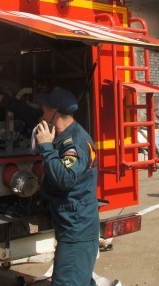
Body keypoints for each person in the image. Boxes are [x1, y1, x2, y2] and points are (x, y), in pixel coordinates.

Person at [33, 87, 99, 286]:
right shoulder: (65, 138)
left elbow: (65, 179)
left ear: (54, 113)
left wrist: (46, 147)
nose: (42, 115)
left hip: (76, 230)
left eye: (45, 111)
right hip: (74, 227)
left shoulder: (75, 144)